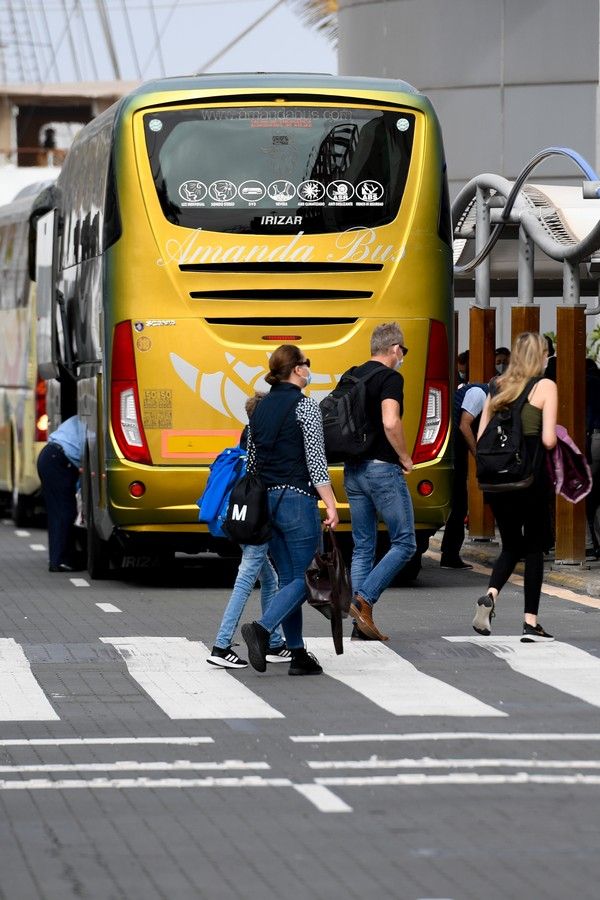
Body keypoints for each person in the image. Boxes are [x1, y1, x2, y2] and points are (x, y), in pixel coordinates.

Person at [240, 345, 339, 676]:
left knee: (289, 578)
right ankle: (263, 628)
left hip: (266, 501)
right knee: (309, 577)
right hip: (297, 499)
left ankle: (298, 654)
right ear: (297, 369)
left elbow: (252, 461)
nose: (309, 369)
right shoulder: (306, 407)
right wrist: (330, 502)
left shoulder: (260, 409)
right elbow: (315, 461)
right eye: (307, 364)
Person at [472, 332, 558, 642]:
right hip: (528, 478)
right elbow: (548, 439)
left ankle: (491, 596)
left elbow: (482, 434)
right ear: (541, 356)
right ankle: (530, 623)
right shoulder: (545, 386)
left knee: (510, 544)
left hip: (495, 481)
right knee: (534, 547)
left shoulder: (496, 386)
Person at [342, 322, 416, 641]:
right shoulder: (390, 377)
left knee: (363, 546)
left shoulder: (351, 375)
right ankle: (364, 599)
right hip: (381, 469)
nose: (403, 356)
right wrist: (405, 456)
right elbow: (390, 420)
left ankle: (361, 625)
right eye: (403, 351)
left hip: (353, 469)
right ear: (395, 349)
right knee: (405, 542)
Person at [207, 393, 289, 669]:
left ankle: (274, 643)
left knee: (270, 579)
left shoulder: (249, 433)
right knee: (246, 581)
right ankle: (221, 645)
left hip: (242, 517)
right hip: (256, 520)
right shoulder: (263, 437)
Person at [440, 381, 488, 569]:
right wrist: (478, 454)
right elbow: (465, 425)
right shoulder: (479, 394)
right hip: (453, 453)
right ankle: (450, 555)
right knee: (459, 503)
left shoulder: (477, 391)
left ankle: (449, 554)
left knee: (458, 503)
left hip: (454, 451)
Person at [37, 415, 86, 572]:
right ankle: (60, 561)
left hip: (51, 457)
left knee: (59, 511)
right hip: (58, 459)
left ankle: (59, 559)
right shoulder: (90, 422)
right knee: (63, 512)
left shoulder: (80, 418)